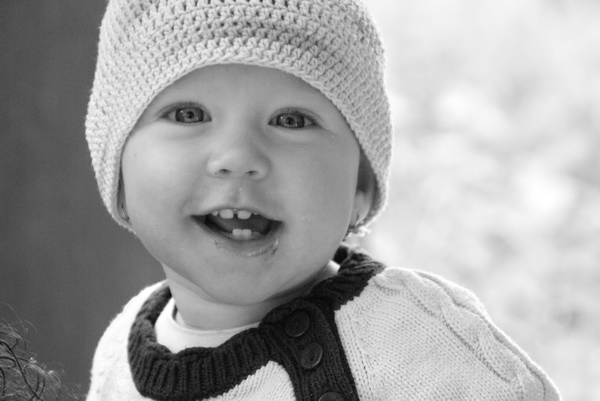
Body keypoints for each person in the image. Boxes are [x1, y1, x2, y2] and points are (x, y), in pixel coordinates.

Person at [84, 0, 561, 399]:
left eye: (291, 121)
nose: (238, 157)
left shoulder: (414, 344)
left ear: (360, 189)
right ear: (117, 177)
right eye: (188, 114)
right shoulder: (116, 358)